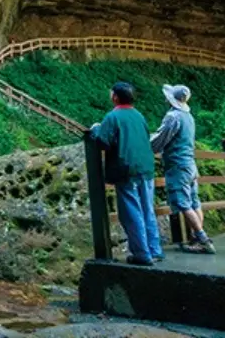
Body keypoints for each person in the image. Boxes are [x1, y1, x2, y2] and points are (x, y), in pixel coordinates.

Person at [91, 81, 162, 266]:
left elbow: (103, 142)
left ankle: (141, 253)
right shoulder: (139, 116)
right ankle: (155, 250)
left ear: (115, 97)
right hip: (146, 167)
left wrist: (96, 129)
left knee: (131, 212)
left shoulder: (113, 117)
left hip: (126, 168)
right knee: (147, 209)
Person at [152, 84, 216, 254]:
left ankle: (203, 239)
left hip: (177, 165)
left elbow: (161, 139)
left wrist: (145, 145)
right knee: (194, 202)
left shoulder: (173, 116)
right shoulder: (188, 117)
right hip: (190, 164)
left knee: (182, 202)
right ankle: (196, 238)